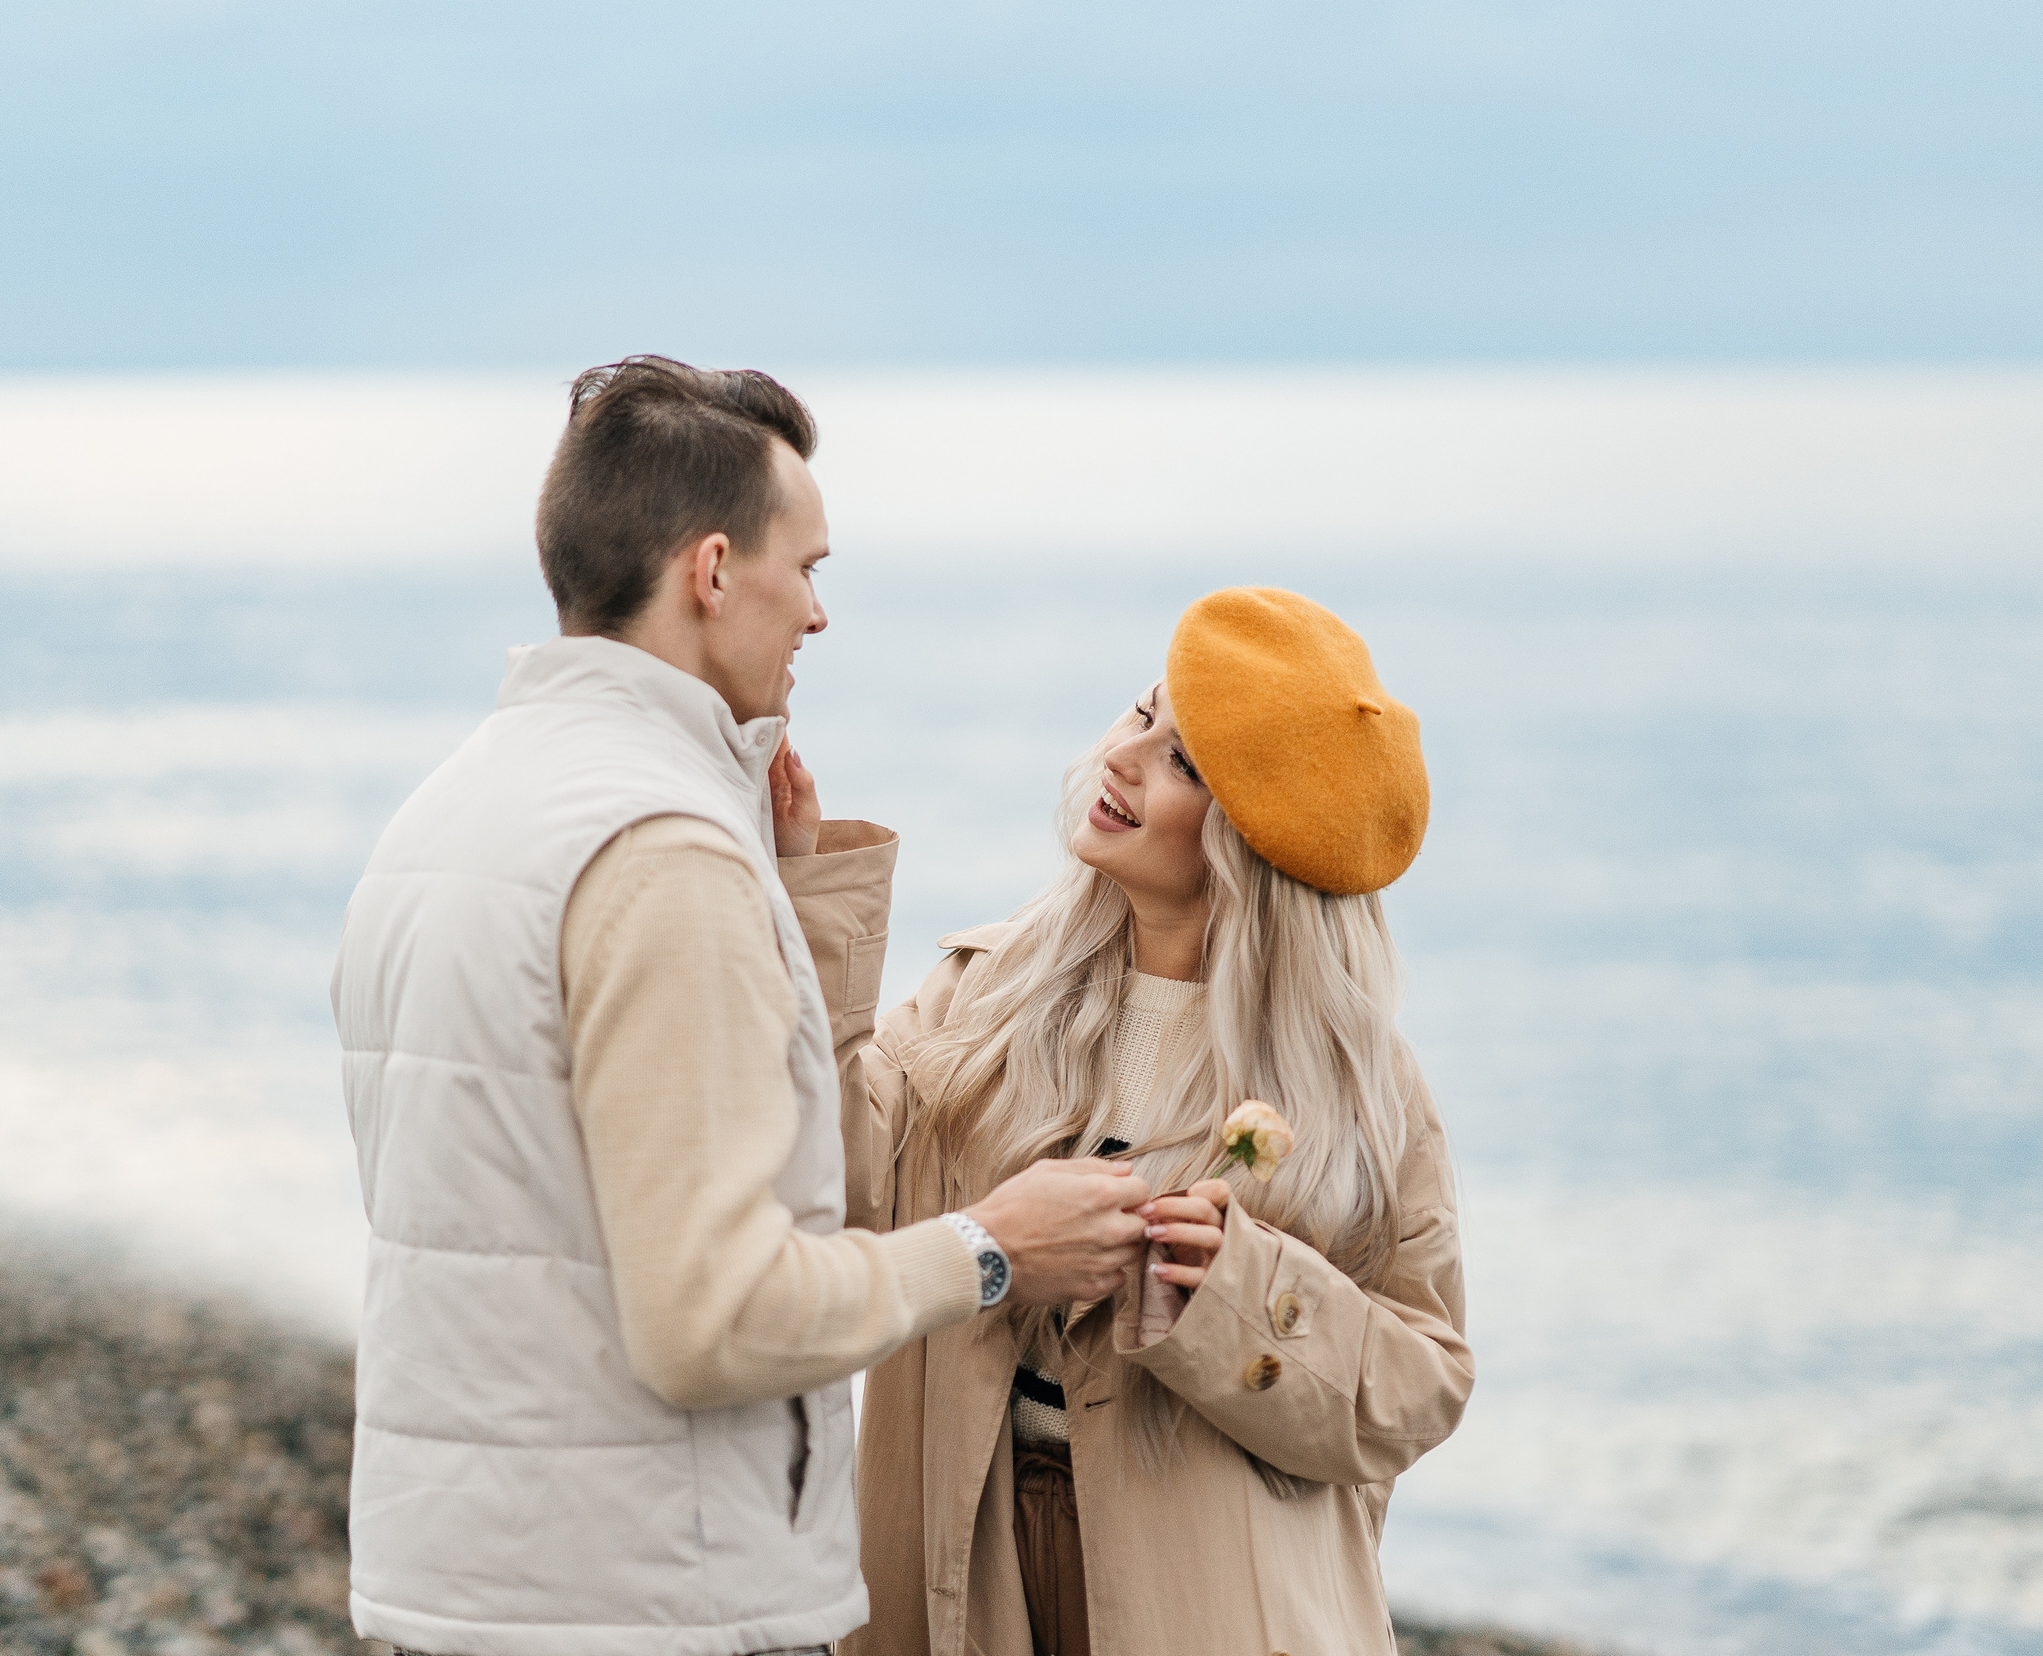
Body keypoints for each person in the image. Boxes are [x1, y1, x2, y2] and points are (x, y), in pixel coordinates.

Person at [331, 356, 1152, 1656]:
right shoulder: (664, 858)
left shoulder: (450, 813)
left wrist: (792, 904)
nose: (820, 614)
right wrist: (994, 1247)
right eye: (808, 566)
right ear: (712, 571)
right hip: (651, 1598)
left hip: (469, 1580)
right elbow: (712, 1319)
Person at [835, 587, 1475, 1656]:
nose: (1121, 761)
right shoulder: (978, 996)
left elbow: (1419, 1387)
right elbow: (820, 1181)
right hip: (957, 1568)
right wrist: (803, 906)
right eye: (1140, 716)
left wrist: (1232, 1292)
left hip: (1212, 1603)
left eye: (1182, 762)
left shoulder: (1358, 1087)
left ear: (1252, 843)